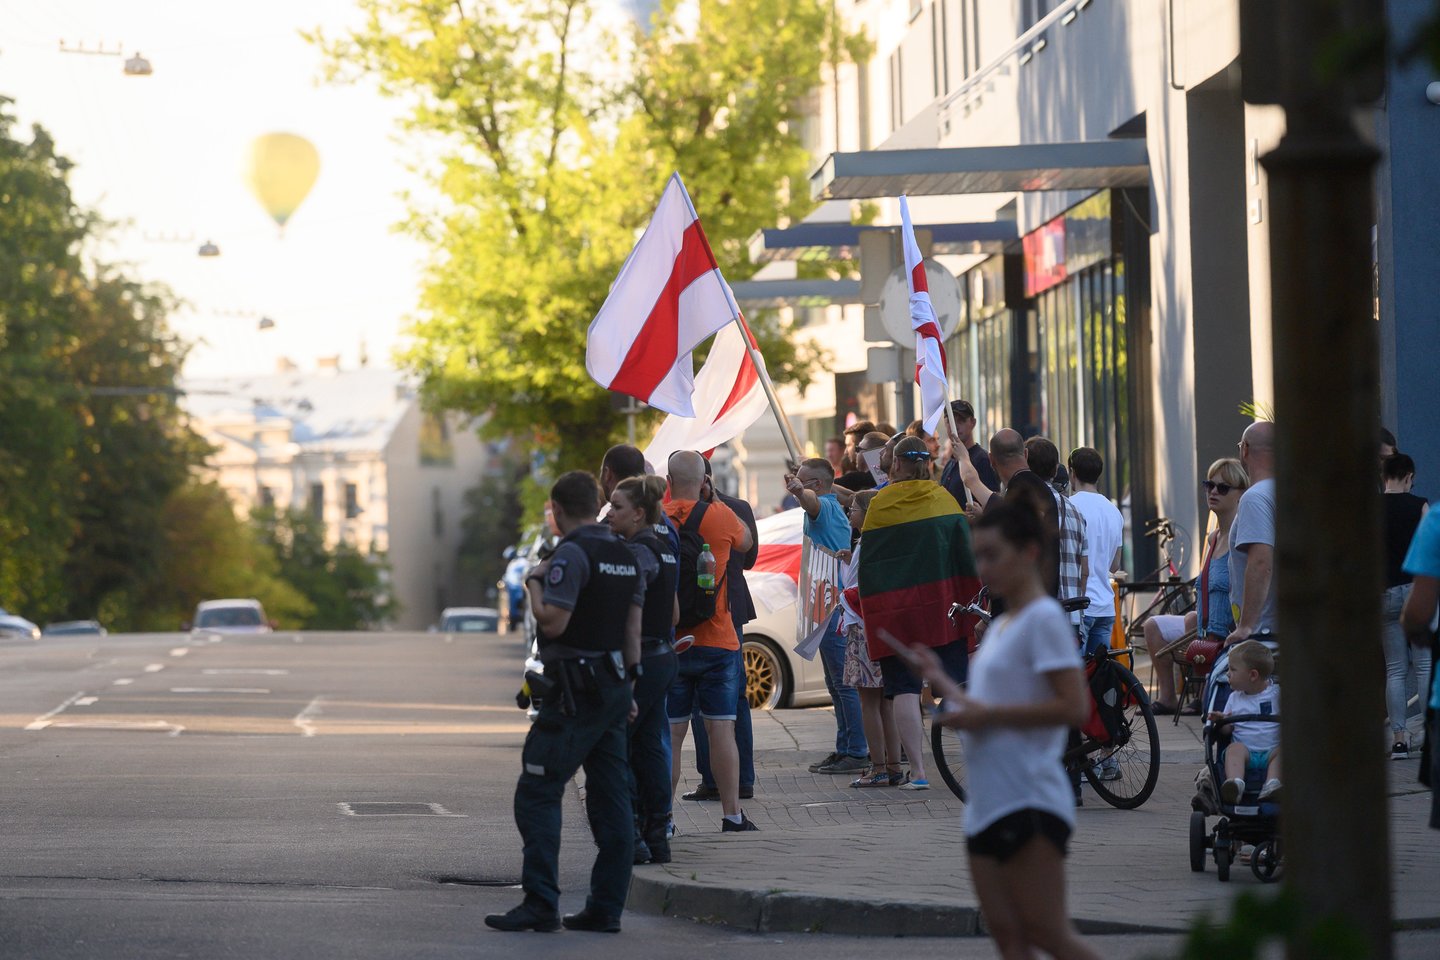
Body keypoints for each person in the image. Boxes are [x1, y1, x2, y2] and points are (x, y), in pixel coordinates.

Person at [889, 502, 1100, 960]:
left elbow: (1073, 706)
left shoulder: (1043, 619)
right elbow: (986, 702)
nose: (983, 569)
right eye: (977, 557)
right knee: (1007, 936)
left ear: (1027, 551)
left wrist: (988, 718)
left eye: (992, 555)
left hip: (1029, 798)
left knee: (1047, 932)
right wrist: (941, 681)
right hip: (987, 802)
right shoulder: (1003, 624)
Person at [486, 471, 643, 934]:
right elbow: (632, 631)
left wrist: (534, 584)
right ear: (595, 504)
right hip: (613, 687)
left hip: (575, 693)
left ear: (556, 511)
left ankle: (540, 901)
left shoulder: (569, 556)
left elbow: (552, 624)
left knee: (537, 791)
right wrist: (629, 690)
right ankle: (606, 907)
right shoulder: (624, 554)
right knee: (613, 800)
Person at [858, 436, 981, 791]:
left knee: (903, 690)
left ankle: (918, 771)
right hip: (944, 608)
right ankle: (981, 762)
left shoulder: (880, 505)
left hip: (898, 614)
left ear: (896, 464)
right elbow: (963, 554)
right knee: (957, 687)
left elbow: (871, 565)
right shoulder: (944, 499)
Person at [663, 451, 757, 832]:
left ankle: (664, 818)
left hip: (671, 643)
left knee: (670, 734)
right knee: (722, 729)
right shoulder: (720, 516)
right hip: (719, 640)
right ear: (704, 479)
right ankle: (732, 814)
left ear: (668, 481)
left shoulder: (658, 518)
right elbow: (747, 544)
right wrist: (714, 500)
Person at [604, 476, 681, 865]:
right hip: (663, 655)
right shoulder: (665, 546)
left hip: (641, 659)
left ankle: (632, 835)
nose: (609, 513)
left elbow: (624, 614)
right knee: (651, 747)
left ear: (638, 512)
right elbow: (674, 613)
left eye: (616, 507)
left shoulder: (636, 553)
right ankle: (658, 836)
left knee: (620, 747)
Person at [1142, 458, 1248, 713]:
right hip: (1203, 632)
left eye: (1223, 488)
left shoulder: (1241, 537)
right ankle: (1169, 697)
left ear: (1240, 494)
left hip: (1228, 636)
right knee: (1153, 625)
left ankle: (1201, 695)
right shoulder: (1213, 539)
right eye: (1209, 485)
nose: (1213, 492)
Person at [785, 457, 868, 774]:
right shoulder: (835, 502)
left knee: (844, 684)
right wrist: (802, 482)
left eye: (803, 479)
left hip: (831, 604)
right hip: (828, 602)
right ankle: (845, 747)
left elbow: (809, 502)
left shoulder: (820, 506)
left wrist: (798, 490)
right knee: (836, 684)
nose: (796, 482)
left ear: (816, 485)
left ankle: (856, 751)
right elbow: (829, 489)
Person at [685, 460, 759, 801]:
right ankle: (742, 779)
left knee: (704, 701)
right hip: (734, 610)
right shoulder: (737, 508)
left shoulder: (678, 512)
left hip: (701, 614)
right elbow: (750, 556)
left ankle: (714, 780)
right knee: (735, 697)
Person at [838, 489, 900, 787]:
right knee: (886, 700)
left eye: (853, 509)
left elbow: (862, 587)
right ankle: (893, 764)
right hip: (882, 626)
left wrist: (841, 596)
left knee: (869, 701)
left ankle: (878, 766)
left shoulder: (869, 542)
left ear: (867, 512)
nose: (850, 514)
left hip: (863, 627)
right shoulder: (881, 540)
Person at [1382, 453, 1430, 758]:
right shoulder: (1420, 506)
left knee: (1395, 669)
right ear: (1409, 476)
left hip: (1383, 594)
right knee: (1424, 666)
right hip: (1416, 592)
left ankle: (1399, 738)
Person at [1399, 508, 1440, 830]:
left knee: (1395, 668)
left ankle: (1400, 736)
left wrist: (1419, 632)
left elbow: (1417, 612)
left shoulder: (1437, 519)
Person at [1209, 639, 1282, 803]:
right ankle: (1235, 784)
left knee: (1283, 751)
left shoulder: (1276, 694)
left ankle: (1272, 784)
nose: (1228, 673)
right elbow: (1228, 731)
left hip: (1272, 750)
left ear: (1253, 675)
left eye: (1232, 669)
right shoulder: (1234, 698)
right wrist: (1222, 720)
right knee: (1234, 749)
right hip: (1246, 752)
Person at [1067, 447, 1125, 656]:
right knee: (1099, 677)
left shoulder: (1070, 507)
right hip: (1106, 607)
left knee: (1078, 676)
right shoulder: (1114, 511)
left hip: (1079, 606)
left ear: (1072, 472)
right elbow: (1115, 565)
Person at [1025, 437, 1088, 626]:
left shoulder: (1025, 507)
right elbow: (1085, 569)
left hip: (1038, 618)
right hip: (1072, 615)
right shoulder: (1076, 512)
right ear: (1055, 470)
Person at [1227, 422, 1277, 648]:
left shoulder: (1254, 498)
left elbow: (1260, 562)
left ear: (1245, 449)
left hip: (1263, 633)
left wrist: (1246, 626)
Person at [940, 400, 1001, 508]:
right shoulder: (950, 463)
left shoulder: (983, 459)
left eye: (961, 420)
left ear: (973, 422)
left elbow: (993, 502)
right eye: (950, 421)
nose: (955, 426)